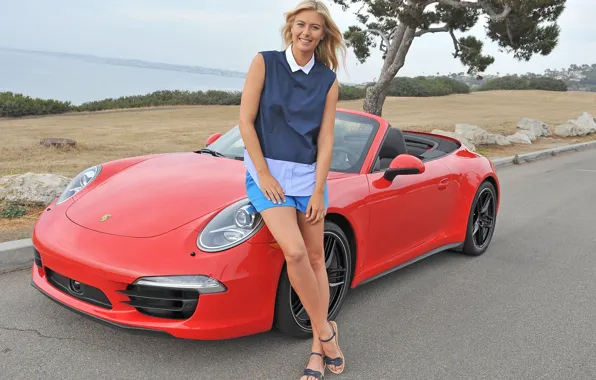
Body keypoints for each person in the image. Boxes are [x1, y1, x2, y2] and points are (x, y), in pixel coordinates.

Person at [238, 1, 347, 379]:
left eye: (315, 27)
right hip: (268, 175)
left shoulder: (328, 80)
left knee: (317, 260)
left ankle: (317, 351)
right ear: (291, 28)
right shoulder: (264, 62)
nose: (306, 32)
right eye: (301, 25)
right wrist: (264, 174)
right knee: (296, 253)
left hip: (308, 179)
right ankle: (328, 333)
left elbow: (327, 139)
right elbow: (246, 122)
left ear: (323, 34)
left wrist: (319, 191)